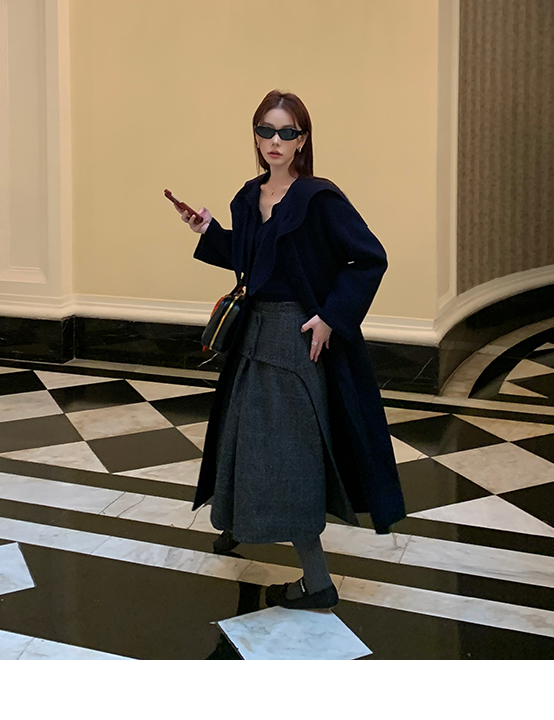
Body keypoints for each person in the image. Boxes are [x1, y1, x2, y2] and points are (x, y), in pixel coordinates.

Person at [170, 89, 405, 610]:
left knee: (288, 454)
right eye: (265, 130)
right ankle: (236, 524)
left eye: (286, 132)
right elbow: (255, 260)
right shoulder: (249, 195)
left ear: (302, 139)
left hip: (293, 341)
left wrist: (332, 316)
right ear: (255, 136)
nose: (274, 141)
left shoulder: (318, 198)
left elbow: (369, 259)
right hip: (252, 336)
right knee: (240, 436)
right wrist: (208, 231)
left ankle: (317, 583)